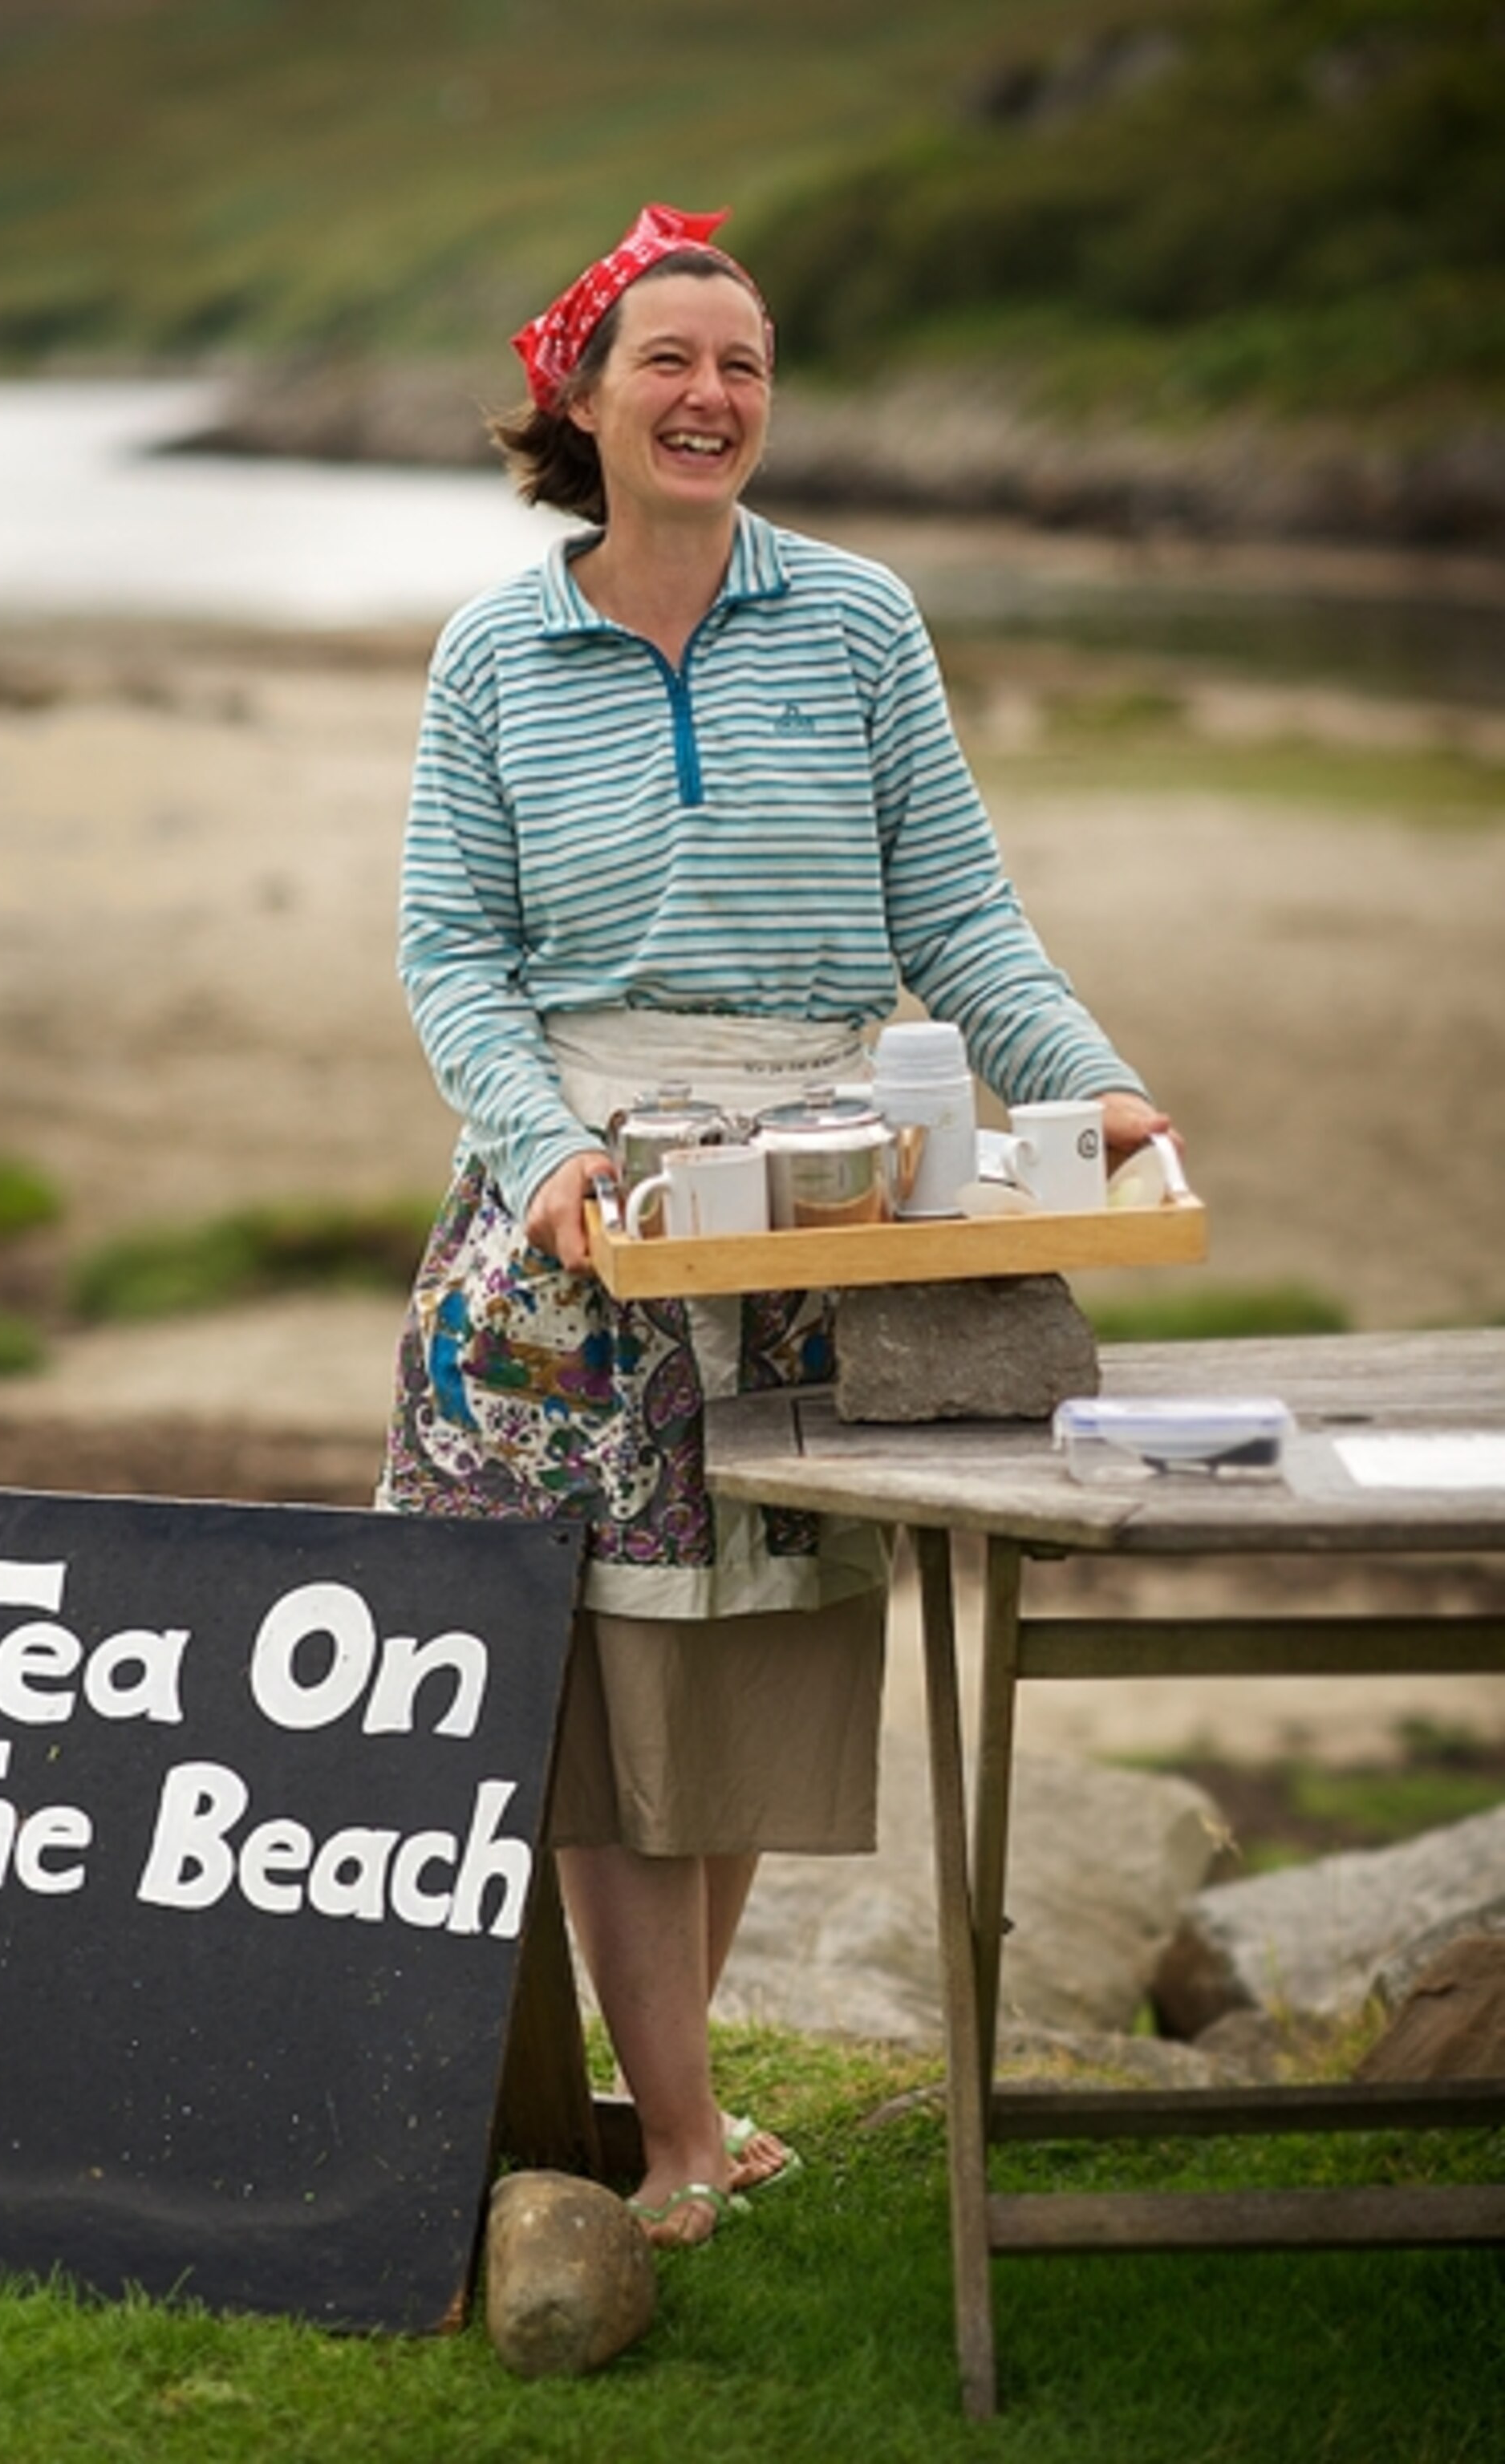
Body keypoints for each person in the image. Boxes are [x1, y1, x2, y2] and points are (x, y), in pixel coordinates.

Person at [379, 203, 1174, 2247]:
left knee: (743, 1677)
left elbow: (963, 918)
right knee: (616, 1686)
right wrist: (543, 1151)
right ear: (584, 394)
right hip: (574, 1237)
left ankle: (681, 2110)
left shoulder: (861, 621)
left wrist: (1088, 1083)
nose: (711, 396)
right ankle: (673, 2139)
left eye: (741, 364)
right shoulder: (495, 647)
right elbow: (455, 953)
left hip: (824, 1217)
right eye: (669, 360)